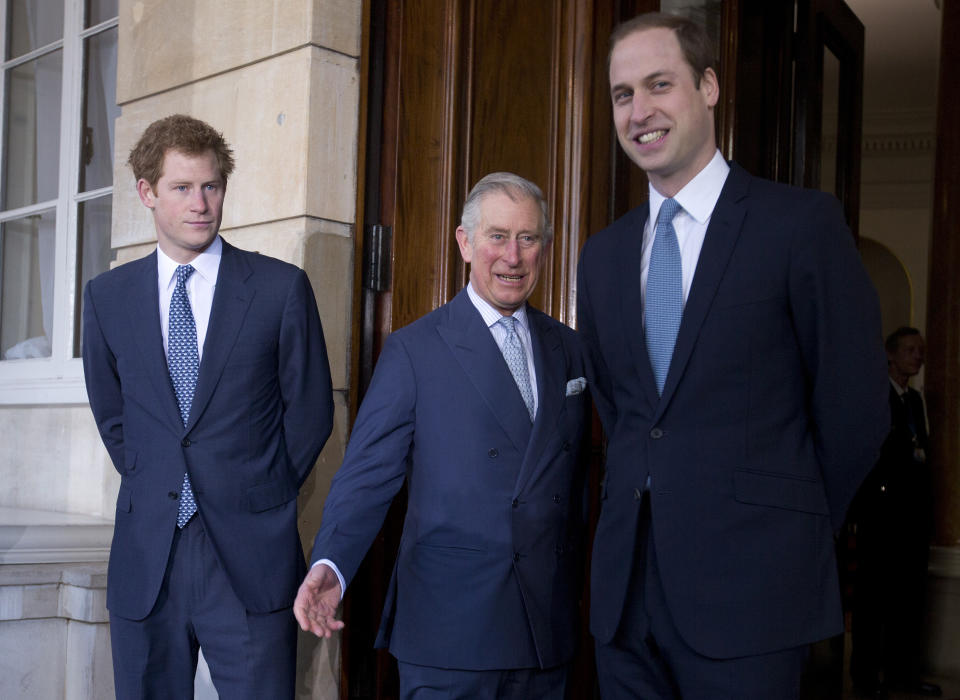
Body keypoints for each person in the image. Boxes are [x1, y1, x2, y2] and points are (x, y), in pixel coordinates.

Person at [575, 13, 890, 699]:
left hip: (754, 593)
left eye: (660, 84)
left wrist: (787, 528)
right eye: (623, 94)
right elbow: (625, 411)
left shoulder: (800, 225)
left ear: (709, 86)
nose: (640, 110)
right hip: (625, 603)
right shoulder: (600, 258)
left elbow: (857, 409)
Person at [294, 172, 590, 699]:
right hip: (452, 632)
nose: (513, 256)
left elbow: (583, 482)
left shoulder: (568, 349)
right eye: (498, 236)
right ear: (465, 242)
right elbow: (366, 478)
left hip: (547, 633)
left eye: (528, 239)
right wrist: (332, 565)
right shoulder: (415, 351)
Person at [82, 114, 334, 698]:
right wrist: (160, 479)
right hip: (149, 557)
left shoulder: (279, 289)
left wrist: (258, 490)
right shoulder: (107, 297)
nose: (201, 203)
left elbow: (311, 413)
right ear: (147, 193)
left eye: (212, 186)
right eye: (182, 187)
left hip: (250, 556)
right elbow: (114, 416)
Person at [849, 327, 941, 697]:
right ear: (890, 355)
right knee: (873, 604)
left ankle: (905, 676)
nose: (917, 356)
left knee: (909, 602)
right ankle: (867, 680)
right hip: (881, 518)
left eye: (921, 350)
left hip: (912, 521)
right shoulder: (876, 397)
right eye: (909, 350)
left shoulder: (914, 401)